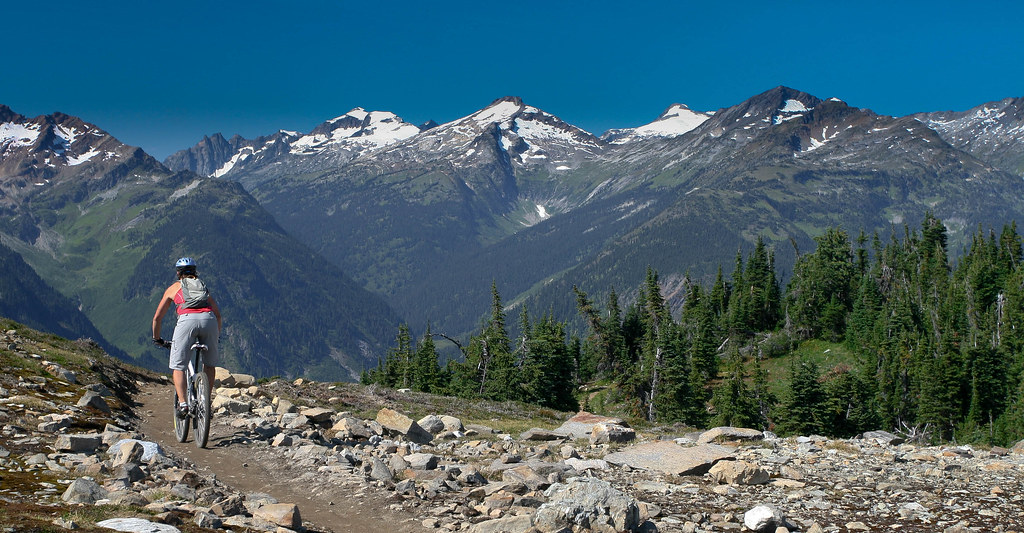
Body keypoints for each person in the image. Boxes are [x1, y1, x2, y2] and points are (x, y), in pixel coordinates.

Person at [152, 257, 222, 418]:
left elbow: (157, 318)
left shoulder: (173, 288)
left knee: (179, 366)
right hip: (209, 320)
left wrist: (157, 338)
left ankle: (183, 404)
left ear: (178, 273)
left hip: (186, 321)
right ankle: (206, 402)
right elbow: (218, 315)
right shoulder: (202, 287)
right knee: (209, 365)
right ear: (195, 272)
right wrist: (215, 335)